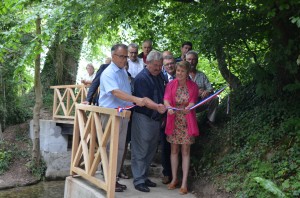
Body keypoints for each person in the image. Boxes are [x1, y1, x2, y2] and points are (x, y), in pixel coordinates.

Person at [99, 43, 149, 192]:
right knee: (109, 148)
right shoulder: (108, 73)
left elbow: (125, 90)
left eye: (126, 56)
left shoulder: (122, 71)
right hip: (111, 114)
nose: (125, 59)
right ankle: (108, 180)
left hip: (123, 114)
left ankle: (113, 179)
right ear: (113, 56)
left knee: (120, 148)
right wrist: (136, 99)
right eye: (122, 56)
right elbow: (116, 92)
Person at [131, 51, 167, 193]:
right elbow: (144, 100)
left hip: (156, 119)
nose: (158, 68)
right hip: (143, 118)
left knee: (151, 150)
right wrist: (158, 107)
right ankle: (138, 180)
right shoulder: (141, 78)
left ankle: (144, 176)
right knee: (141, 150)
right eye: (156, 65)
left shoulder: (160, 76)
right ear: (148, 63)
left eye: (160, 65)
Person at [164, 61, 199, 195]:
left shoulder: (193, 86)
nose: (179, 73)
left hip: (186, 121)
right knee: (173, 150)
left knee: (185, 151)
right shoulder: (170, 85)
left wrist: (189, 107)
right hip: (174, 121)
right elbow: (166, 99)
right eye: (178, 71)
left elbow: (192, 102)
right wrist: (168, 108)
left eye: (182, 71)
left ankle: (184, 183)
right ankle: (174, 179)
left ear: (187, 72)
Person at [185, 51, 219, 127]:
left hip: (200, 103)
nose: (191, 62)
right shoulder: (181, 74)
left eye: (193, 59)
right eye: (189, 59)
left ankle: (210, 121)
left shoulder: (201, 75)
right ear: (185, 61)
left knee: (215, 98)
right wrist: (195, 93)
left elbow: (210, 88)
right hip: (186, 105)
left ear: (197, 61)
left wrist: (207, 91)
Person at [160, 55, 176, 185]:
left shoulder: (182, 75)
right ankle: (167, 173)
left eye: (172, 63)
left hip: (180, 115)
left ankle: (177, 174)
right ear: (163, 66)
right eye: (167, 64)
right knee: (165, 146)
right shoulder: (160, 77)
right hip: (165, 116)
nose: (170, 66)